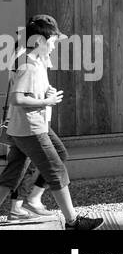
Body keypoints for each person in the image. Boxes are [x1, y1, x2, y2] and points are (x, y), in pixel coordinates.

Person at [0, 15, 102, 229]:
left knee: (14, 173)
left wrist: (46, 92)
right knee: (56, 171)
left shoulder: (31, 58)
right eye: (53, 42)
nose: (55, 47)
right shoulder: (29, 63)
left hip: (24, 128)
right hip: (31, 128)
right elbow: (17, 98)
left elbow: (26, 90)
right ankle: (72, 222)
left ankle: (31, 201)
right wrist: (47, 100)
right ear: (39, 41)